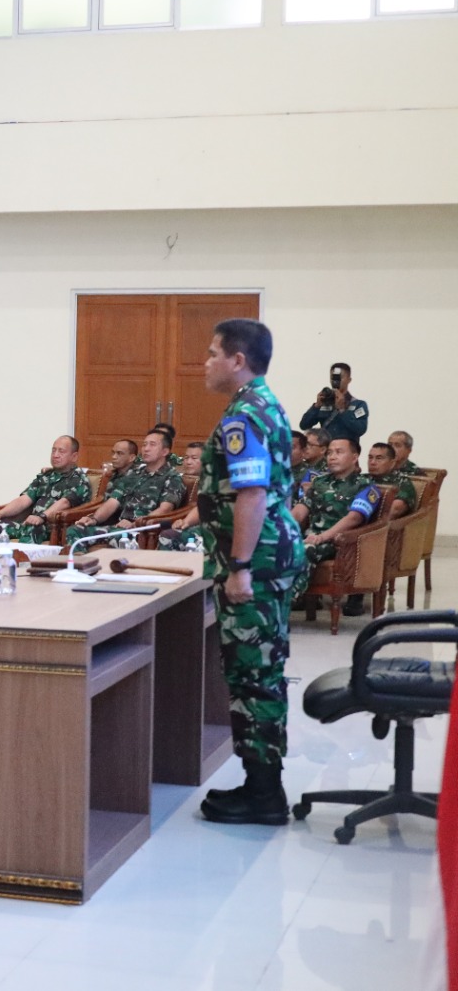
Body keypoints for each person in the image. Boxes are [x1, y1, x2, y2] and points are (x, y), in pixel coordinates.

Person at [196, 318, 305, 827]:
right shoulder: (263, 403)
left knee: (253, 674)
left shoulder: (245, 415)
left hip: (255, 564)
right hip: (269, 558)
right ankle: (261, 783)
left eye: (213, 353)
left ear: (237, 361)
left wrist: (238, 567)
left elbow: (252, 493)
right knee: (260, 670)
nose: (207, 362)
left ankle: (264, 794)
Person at [67, 429, 185, 549]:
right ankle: (79, 564)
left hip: (142, 531)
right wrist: (93, 519)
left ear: (165, 451)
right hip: (119, 528)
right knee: (74, 531)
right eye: (144, 444)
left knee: (122, 539)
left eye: (152, 445)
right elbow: (113, 501)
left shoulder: (172, 477)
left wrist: (135, 524)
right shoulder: (134, 473)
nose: (146, 449)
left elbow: (165, 509)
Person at [292, 437, 380, 589]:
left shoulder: (365, 486)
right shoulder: (319, 482)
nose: (332, 457)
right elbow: (300, 511)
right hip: (311, 537)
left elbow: (354, 518)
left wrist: (322, 537)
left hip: (341, 542)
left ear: (354, 457)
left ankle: (288, 601)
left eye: (339, 452)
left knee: (304, 551)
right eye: (330, 453)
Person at [0, 436, 92, 544]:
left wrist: (41, 517)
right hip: (31, 523)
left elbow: (65, 502)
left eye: (61, 451)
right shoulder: (45, 476)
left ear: (74, 456)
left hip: (55, 528)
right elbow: (24, 499)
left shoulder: (78, 479)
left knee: (32, 527)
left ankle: (23, 559)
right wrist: (0, 513)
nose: (55, 455)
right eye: (53, 450)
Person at [299, 361, 368, 442]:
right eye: (333, 378)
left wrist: (342, 411)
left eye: (339, 378)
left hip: (345, 450)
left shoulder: (358, 404)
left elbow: (360, 429)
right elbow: (304, 425)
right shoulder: (324, 402)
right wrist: (316, 406)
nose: (335, 381)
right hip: (326, 449)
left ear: (349, 380)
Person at [156, 442, 206, 551]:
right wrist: (184, 521)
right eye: (186, 458)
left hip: (217, 528)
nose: (188, 462)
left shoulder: (216, 481)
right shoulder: (178, 478)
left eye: (194, 458)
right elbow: (197, 507)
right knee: (168, 535)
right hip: (194, 524)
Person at [366, 442, 419, 519]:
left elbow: (395, 510)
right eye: (370, 457)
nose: (372, 462)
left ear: (392, 463)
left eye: (379, 458)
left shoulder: (402, 482)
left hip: (378, 527)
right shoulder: (361, 479)